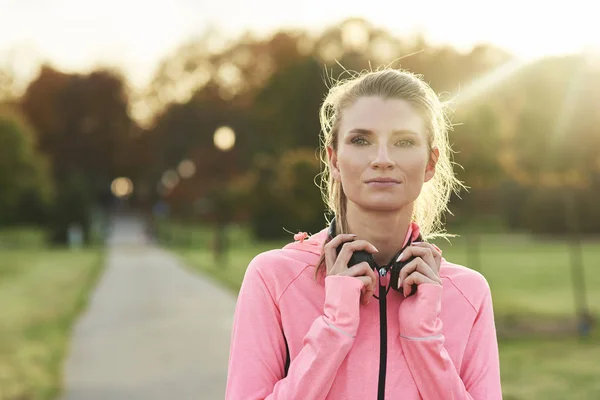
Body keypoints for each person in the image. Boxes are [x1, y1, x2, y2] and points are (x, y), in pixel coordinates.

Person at [225, 68, 502, 399]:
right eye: (361, 140)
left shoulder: (469, 293)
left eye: (403, 142)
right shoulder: (272, 277)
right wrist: (335, 327)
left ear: (430, 163)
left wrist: (423, 338)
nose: (382, 159)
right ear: (334, 160)